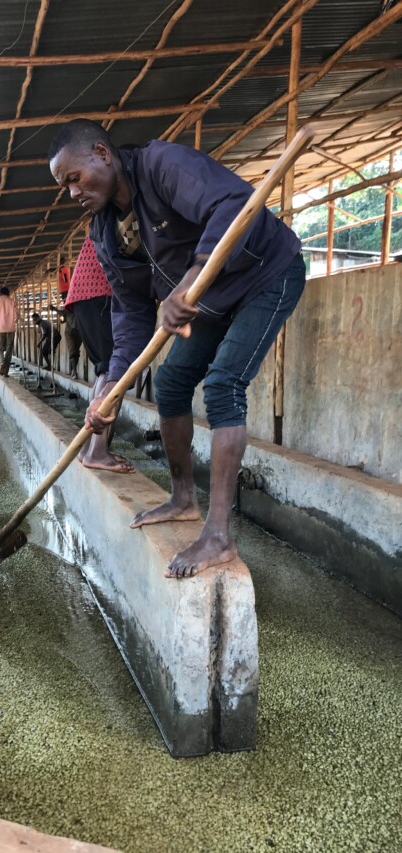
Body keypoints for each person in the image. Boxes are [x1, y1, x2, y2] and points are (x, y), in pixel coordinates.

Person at [49, 119, 306, 580]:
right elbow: (128, 315)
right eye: (64, 186)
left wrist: (187, 283)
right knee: (170, 383)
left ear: (102, 155)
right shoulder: (105, 234)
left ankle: (219, 535)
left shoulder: (161, 164)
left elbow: (234, 205)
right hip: (210, 298)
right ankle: (183, 499)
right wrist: (111, 384)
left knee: (224, 384)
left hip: (265, 274)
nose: (72, 193)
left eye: (74, 178)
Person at [65, 236, 134, 474]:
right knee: (113, 368)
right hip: (100, 292)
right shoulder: (123, 213)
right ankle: (97, 451)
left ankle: (90, 448)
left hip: (83, 296)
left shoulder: (104, 218)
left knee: (104, 369)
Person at [49, 293, 82, 378]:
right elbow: (62, 315)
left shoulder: (79, 309)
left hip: (79, 332)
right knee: (72, 351)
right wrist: (54, 309)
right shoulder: (67, 310)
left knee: (76, 351)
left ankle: (73, 370)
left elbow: (62, 316)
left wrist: (54, 310)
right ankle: (74, 371)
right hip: (70, 332)